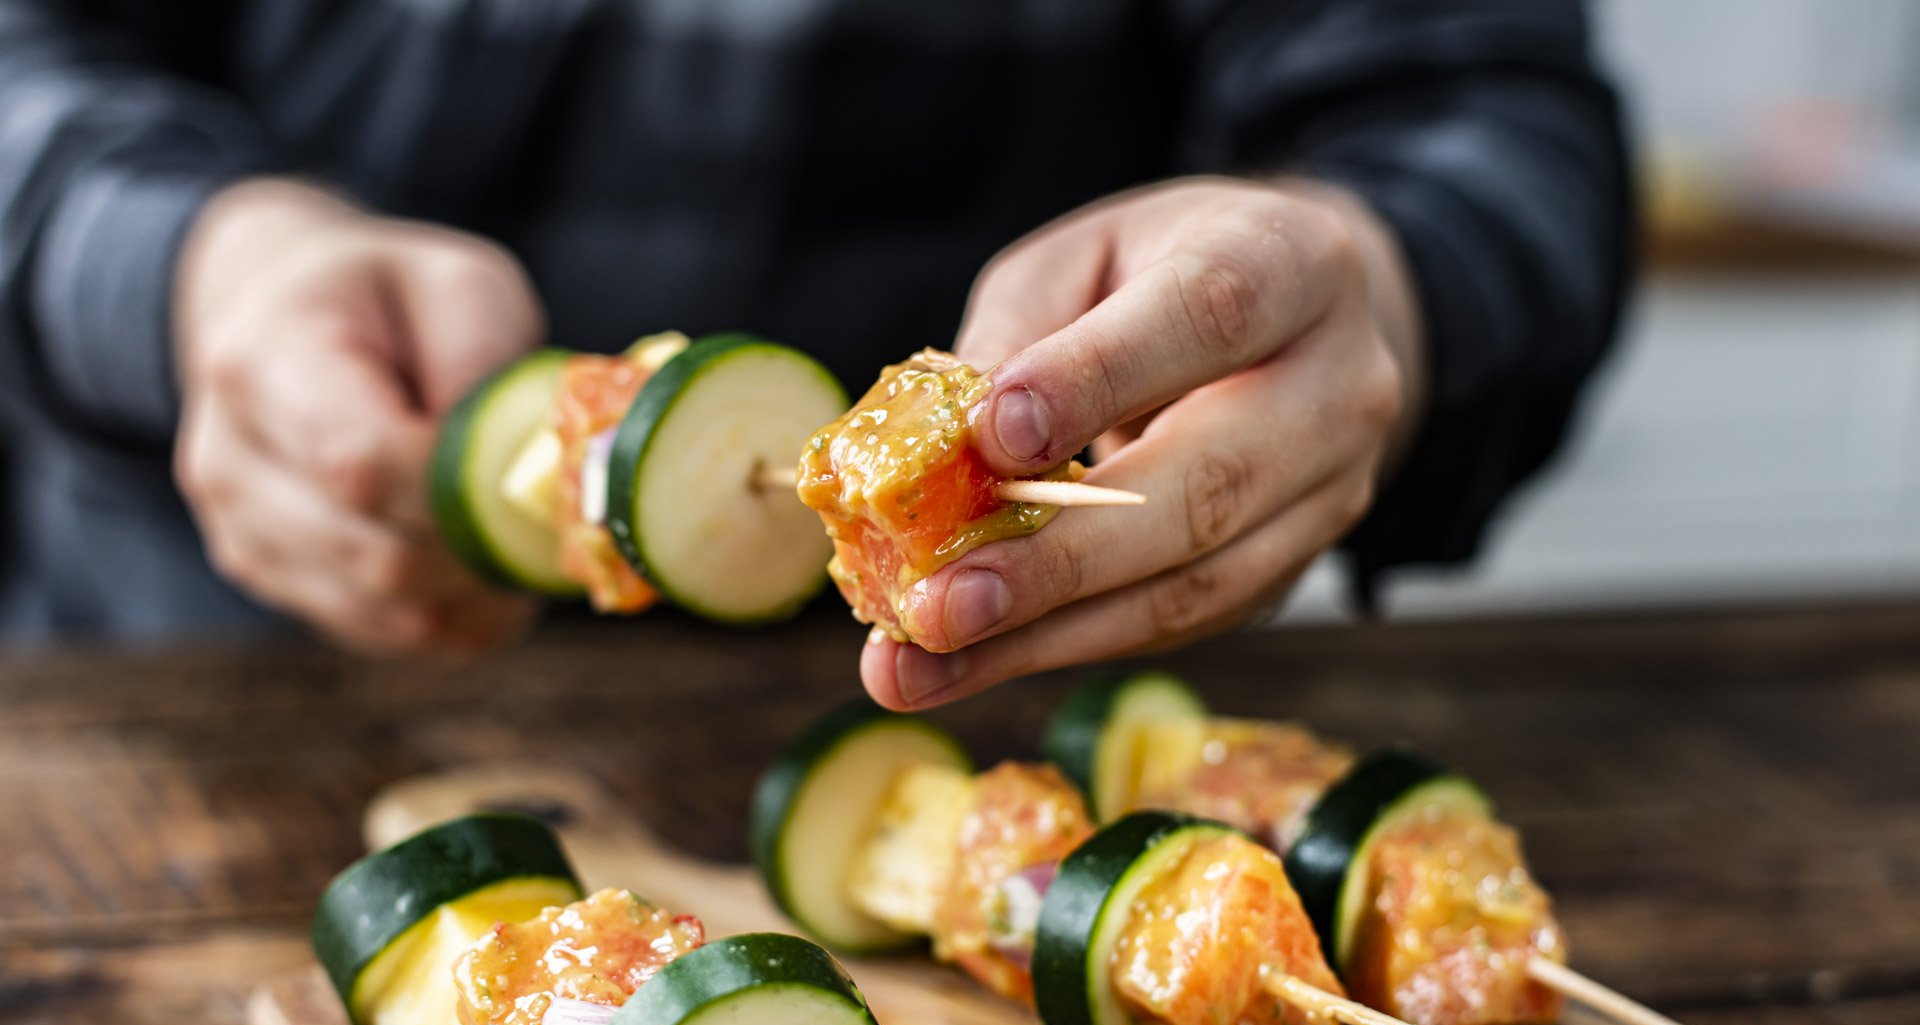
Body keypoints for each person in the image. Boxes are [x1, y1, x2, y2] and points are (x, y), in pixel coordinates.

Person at [0, 0, 1631, 711]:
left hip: (1018, 709)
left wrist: (1374, 284)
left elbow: (1497, 129)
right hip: (194, 695)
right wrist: (185, 270)